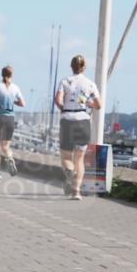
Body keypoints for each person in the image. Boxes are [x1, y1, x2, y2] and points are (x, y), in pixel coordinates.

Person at [54, 55, 102, 200]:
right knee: (79, 159)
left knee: (66, 157)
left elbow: (58, 100)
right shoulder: (90, 84)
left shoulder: (65, 81)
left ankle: (70, 173)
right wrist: (88, 104)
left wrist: (64, 108)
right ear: (84, 67)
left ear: (71, 66)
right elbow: (98, 105)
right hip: (83, 121)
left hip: (68, 120)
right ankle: (76, 192)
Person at [0, 66, 25, 179]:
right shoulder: (15, 88)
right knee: (6, 147)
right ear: (11, 75)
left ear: (2, 74)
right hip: (10, 119)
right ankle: (10, 157)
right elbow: (23, 103)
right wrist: (14, 102)